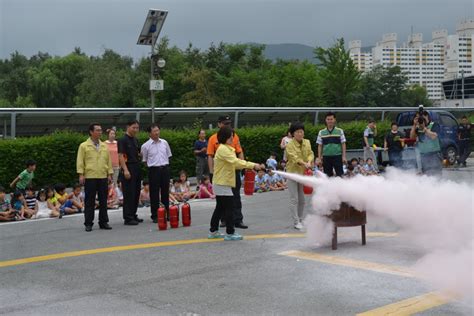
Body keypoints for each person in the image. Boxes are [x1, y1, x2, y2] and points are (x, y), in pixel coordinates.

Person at [208, 126, 264, 241]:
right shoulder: (223, 149)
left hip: (221, 183)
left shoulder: (227, 149)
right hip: (222, 183)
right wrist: (253, 165)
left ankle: (213, 231)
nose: (233, 139)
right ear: (225, 137)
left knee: (220, 207)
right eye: (231, 137)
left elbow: (235, 164)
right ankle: (230, 232)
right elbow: (235, 161)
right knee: (229, 208)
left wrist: (252, 166)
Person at [207, 115, 248, 229]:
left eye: (229, 123)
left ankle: (237, 219)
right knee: (223, 199)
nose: (227, 125)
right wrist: (211, 172)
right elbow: (210, 156)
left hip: (233, 170)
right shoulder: (213, 139)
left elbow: (239, 152)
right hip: (222, 173)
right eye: (225, 123)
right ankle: (224, 220)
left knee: (235, 196)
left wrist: (242, 166)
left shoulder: (234, 136)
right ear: (219, 124)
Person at [77, 123, 113, 232]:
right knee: (90, 201)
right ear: (91, 132)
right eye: (97, 130)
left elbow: (108, 161)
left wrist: (110, 173)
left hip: (102, 176)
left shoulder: (104, 146)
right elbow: (80, 161)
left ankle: (103, 222)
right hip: (90, 176)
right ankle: (88, 223)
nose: (100, 132)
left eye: (101, 130)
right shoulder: (84, 146)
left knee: (103, 200)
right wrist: (81, 174)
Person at [285, 122, 314, 230]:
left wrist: (310, 161)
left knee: (302, 199)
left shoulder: (307, 142)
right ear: (293, 134)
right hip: (292, 173)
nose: (300, 134)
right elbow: (294, 158)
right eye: (297, 132)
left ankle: (301, 219)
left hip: (302, 174)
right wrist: (304, 163)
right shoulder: (289, 145)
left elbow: (311, 153)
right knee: (294, 199)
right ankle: (296, 221)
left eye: (301, 131)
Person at [141, 123, 172, 223]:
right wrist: (154, 166)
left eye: (158, 130)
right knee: (154, 193)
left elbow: (168, 155)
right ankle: (155, 215)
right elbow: (145, 160)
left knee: (165, 192)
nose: (157, 133)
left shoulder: (164, 142)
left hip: (165, 168)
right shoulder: (145, 146)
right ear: (149, 133)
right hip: (154, 170)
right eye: (154, 131)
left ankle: (166, 213)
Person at [118, 120, 142, 225]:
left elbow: (138, 153)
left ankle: (133, 214)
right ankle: (128, 217)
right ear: (128, 127)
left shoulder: (135, 140)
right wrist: (125, 169)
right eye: (134, 127)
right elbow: (121, 156)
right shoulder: (122, 140)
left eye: (137, 128)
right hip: (128, 167)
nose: (135, 130)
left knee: (136, 192)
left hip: (136, 166)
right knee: (129, 193)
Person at [410, 110, 442, 176]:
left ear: (427, 116)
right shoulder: (418, 127)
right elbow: (412, 137)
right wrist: (414, 125)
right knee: (425, 176)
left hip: (434, 154)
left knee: (435, 175)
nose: (421, 120)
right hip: (423, 155)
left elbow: (434, 136)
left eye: (421, 118)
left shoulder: (434, 124)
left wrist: (425, 129)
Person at [316, 112, 346, 177]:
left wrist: (343, 156)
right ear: (325, 120)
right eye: (328, 119)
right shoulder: (321, 132)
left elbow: (343, 144)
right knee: (327, 175)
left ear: (334, 120)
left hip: (337, 156)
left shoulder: (340, 131)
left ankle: (341, 187)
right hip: (326, 156)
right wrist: (319, 158)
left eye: (331, 119)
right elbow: (320, 145)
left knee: (340, 174)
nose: (330, 121)